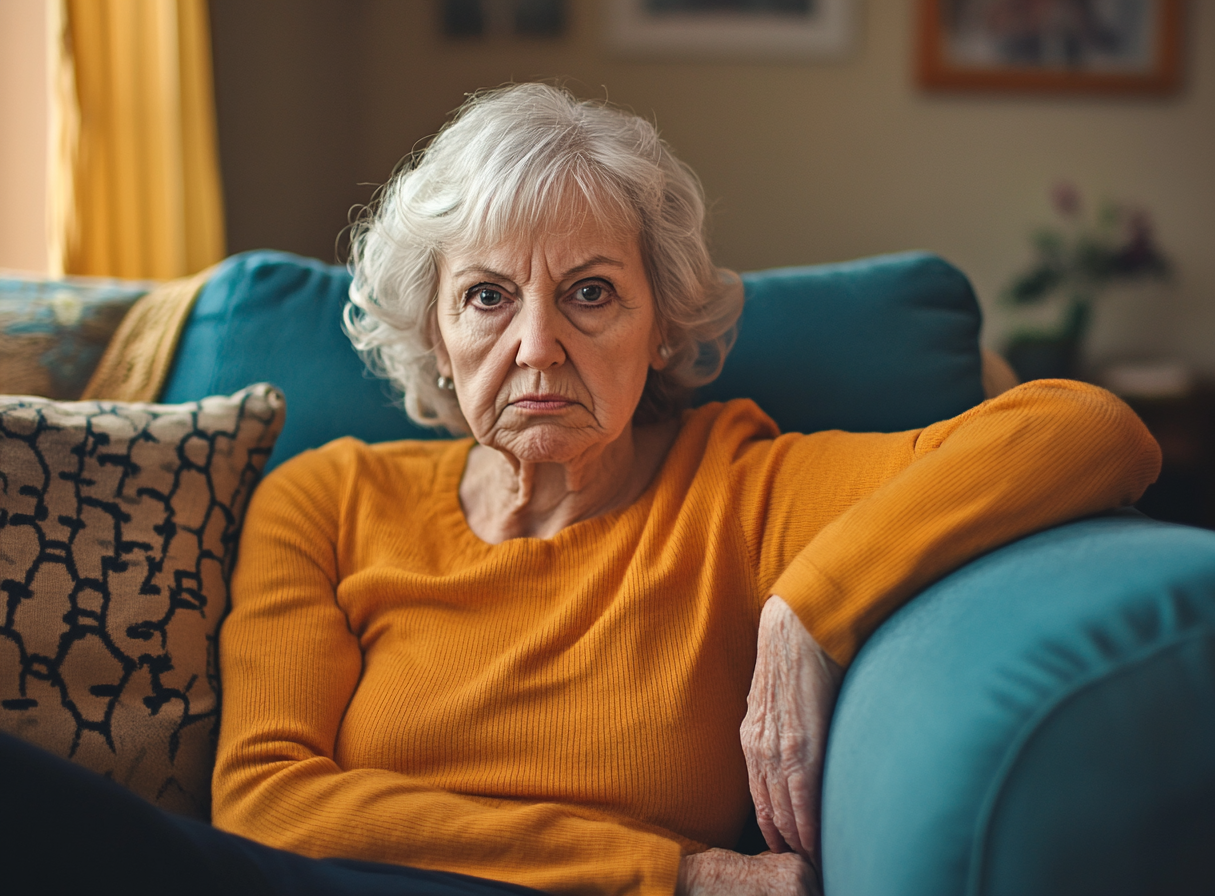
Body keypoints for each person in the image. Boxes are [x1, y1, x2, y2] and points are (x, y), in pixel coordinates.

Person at [207, 83, 1161, 896]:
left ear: (661, 326)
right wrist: (672, 875)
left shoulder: (740, 492)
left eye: (589, 293)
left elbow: (1087, 429)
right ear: (437, 336)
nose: (536, 346)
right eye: (488, 296)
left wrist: (808, 606)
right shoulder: (326, 497)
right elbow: (262, 800)